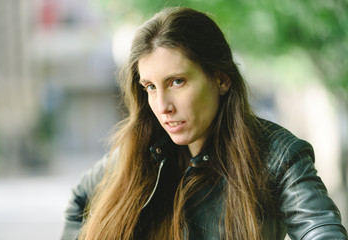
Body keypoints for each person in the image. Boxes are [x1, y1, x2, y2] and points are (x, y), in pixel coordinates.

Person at [61, 7, 348, 240]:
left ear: (221, 79)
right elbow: (79, 200)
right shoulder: (141, 150)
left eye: (177, 82)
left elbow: (320, 229)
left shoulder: (278, 156)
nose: (163, 106)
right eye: (150, 87)